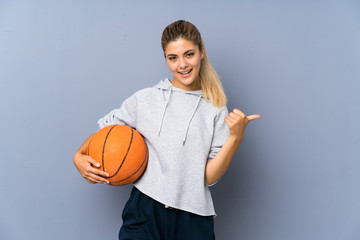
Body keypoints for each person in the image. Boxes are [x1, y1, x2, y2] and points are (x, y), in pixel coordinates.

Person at [73, 20, 261, 240]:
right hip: (144, 208)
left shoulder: (216, 108)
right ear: (166, 59)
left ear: (201, 52)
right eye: (173, 58)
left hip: (193, 217)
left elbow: (209, 177)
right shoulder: (145, 99)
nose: (182, 64)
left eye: (189, 54)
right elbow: (106, 131)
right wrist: (79, 156)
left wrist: (235, 139)